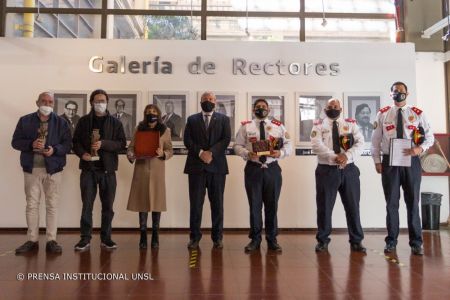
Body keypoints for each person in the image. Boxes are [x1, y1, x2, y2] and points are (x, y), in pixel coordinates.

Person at [371, 82, 434, 256]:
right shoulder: (383, 114)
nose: (398, 93)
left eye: (401, 91)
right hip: (389, 161)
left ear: (407, 93)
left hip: (411, 160)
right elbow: (375, 140)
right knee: (391, 203)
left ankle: (416, 243)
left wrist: (419, 149)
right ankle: (391, 241)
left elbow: (430, 137)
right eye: (395, 91)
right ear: (390, 94)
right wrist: (377, 161)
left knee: (413, 202)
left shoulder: (418, 113)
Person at [12, 92, 72, 254]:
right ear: (37, 102)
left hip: (53, 170)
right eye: (44, 101)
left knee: (52, 205)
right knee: (32, 205)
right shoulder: (25, 120)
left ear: (54, 104)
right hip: (32, 170)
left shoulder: (62, 122)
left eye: (50, 102)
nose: (47, 104)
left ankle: (51, 240)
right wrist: (31, 144)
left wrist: (55, 150)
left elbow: (67, 144)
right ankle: (32, 240)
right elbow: (15, 142)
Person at [234, 98, 292, 253]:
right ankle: (255, 239)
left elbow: (289, 145)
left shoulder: (278, 126)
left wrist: (280, 152)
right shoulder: (246, 126)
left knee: (272, 206)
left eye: (264, 107)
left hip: (272, 170)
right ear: (254, 110)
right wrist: (247, 153)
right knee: (254, 206)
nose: (261, 109)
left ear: (269, 110)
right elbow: (237, 146)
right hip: (253, 169)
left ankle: (272, 239)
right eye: (258, 107)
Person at [72, 89, 126, 251]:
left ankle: (106, 238)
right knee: (87, 205)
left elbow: (121, 144)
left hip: (108, 171)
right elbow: (75, 143)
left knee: (108, 207)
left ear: (107, 102)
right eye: (97, 101)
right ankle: (85, 238)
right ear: (91, 103)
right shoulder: (83, 121)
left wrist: (104, 144)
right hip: (88, 170)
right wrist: (83, 154)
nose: (100, 104)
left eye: (102, 101)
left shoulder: (115, 123)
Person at [311, 98, 366, 253]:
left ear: (341, 109)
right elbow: (316, 145)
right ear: (325, 109)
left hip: (349, 170)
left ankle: (356, 241)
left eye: (335, 106)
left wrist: (346, 156)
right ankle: (322, 240)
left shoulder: (351, 124)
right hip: (326, 170)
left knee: (353, 206)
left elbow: (360, 142)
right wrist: (334, 156)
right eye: (330, 107)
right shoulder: (318, 125)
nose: (333, 108)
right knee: (324, 207)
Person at [183, 91, 231, 250]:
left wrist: (211, 153)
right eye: (205, 99)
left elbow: (226, 139)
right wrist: (200, 153)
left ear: (215, 102)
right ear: (200, 102)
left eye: (211, 99)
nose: (208, 101)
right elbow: (187, 140)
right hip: (196, 167)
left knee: (217, 204)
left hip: (217, 167)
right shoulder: (192, 119)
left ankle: (217, 238)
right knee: (195, 205)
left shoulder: (224, 119)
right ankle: (194, 237)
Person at [126, 104, 173, 249]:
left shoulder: (165, 130)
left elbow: (170, 150)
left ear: (158, 114)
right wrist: (131, 154)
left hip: (158, 170)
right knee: (142, 201)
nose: (150, 114)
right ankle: (143, 234)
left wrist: (163, 154)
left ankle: (155, 235)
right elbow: (131, 147)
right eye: (147, 112)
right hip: (141, 169)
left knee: (157, 201)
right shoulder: (138, 129)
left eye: (153, 112)